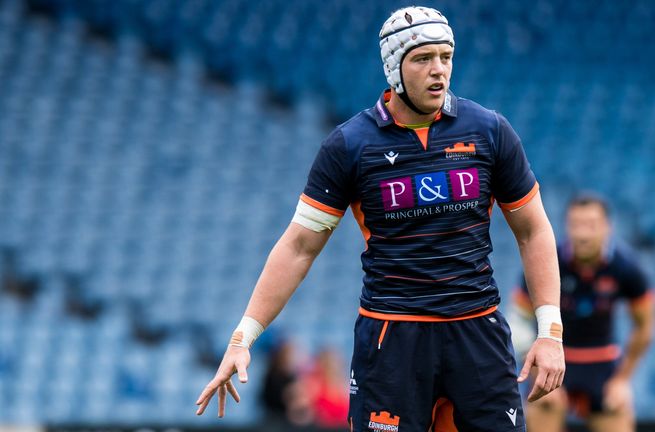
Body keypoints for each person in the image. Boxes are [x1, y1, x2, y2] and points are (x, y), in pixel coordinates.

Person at [196, 6, 565, 430]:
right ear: (393, 66)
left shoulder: (489, 131)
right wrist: (243, 337)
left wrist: (549, 331)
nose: (438, 70)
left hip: (477, 333)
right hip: (393, 341)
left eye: (446, 57)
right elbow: (299, 246)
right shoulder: (350, 145)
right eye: (423, 58)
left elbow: (533, 230)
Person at [513, 194, 655, 432]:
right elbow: (519, 320)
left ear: (607, 227)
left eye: (591, 225)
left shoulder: (627, 268)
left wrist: (622, 381)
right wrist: (537, 373)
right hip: (555, 359)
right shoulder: (548, 261)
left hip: (603, 364)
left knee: (618, 411)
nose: (582, 234)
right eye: (576, 225)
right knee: (542, 408)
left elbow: (645, 326)